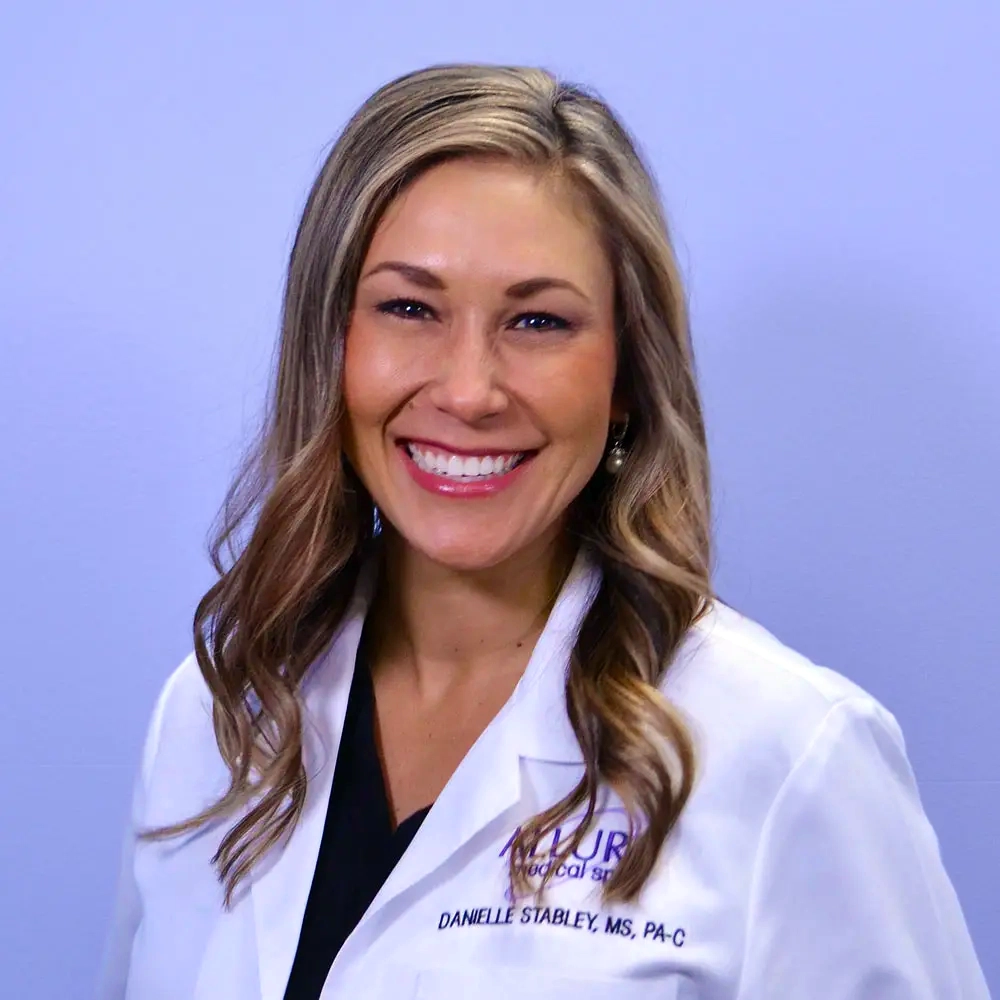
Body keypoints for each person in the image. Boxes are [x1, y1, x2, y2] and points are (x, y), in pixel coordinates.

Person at [96, 64, 991, 1000]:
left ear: (627, 380)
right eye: (409, 308)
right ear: (333, 346)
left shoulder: (789, 754)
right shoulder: (217, 714)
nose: (469, 390)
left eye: (538, 320)